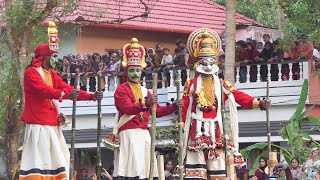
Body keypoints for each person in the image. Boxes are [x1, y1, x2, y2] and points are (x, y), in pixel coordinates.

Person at [177, 28, 271, 179]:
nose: (208, 65)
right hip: (196, 130)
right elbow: (184, 107)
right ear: (198, 63)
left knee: (218, 171)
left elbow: (239, 96)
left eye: (211, 61)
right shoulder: (191, 84)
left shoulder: (222, 84)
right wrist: (181, 127)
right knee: (196, 172)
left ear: (215, 62)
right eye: (204, 61)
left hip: (216, 131)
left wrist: (259, 103)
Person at [19, 23, 103, 179]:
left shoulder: (52, 74)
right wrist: (63, 94)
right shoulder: (31, 73)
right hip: (38, 125)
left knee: (59, 160)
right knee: (40, 163)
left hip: (52, 125)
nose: (56, 59)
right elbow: (43, 90)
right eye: (54, 56)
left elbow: (68, 89)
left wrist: (90, 96)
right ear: (45, 57)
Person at [110, 38, 182, 180]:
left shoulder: (145, 90)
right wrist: (145, 103)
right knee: (131, 171)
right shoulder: (121, 90)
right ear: (126, 71)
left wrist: (174, 107)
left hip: (143, 134)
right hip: (128, 134)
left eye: (138, 70)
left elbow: (157, 111)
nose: (135, 74)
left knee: (147, 171)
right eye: (132, 70)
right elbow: (127, 108)